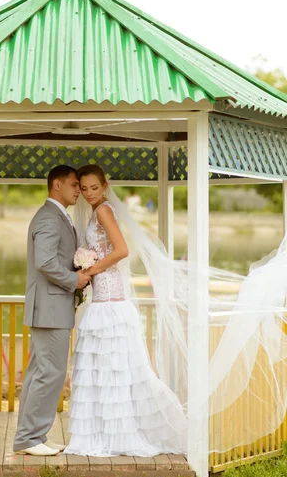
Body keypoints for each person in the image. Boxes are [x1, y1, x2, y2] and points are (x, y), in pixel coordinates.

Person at [64, 164, 186, 457]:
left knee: (113, 368)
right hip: (104, 297)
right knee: (106, 369)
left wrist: (90, 268)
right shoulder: (97, 212)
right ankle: (105, 431)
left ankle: (118, 435)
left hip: (111, 298)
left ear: (105, 187)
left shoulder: (104, 211)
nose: (89, 193)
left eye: (95, 188)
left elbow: (121, 250)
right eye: (84, 188)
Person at [13, 165, 91, 457]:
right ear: (57, 185)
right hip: (49, 308)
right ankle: (30, 438)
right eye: (73, 185)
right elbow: (45, 262)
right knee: (51, 373)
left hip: (51, 307)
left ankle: (30, 437)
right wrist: (76, 279)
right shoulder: (48, 217)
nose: (77, 190)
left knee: (40, 373)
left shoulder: (58, 216)